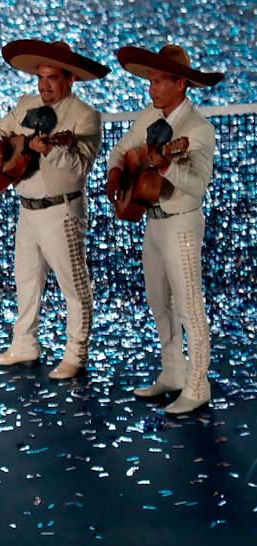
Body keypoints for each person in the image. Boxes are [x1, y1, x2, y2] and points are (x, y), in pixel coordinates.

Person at [106, 44, 224, 414]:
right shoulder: (147, 116)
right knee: (160, 303)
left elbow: (197, 186)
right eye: (150, 81)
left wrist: (166, 166)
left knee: (190, 306)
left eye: (159, 81)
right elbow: (123, 148)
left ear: (181, 84)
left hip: (182, 224)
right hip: (152, 222)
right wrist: (114, 172)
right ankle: (173, 372)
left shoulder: (198, 130)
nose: (151, 88)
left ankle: (197, 384)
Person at [0, 40, 110, 379]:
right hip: (27, 208)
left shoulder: (85, 117)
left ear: (70, 79)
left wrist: (50, 150)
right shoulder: (26, 104)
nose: (45, 85)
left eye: (53, 78)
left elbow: (80, 169)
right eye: (41, 77)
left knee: (74, 286)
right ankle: (24, 344)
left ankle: (76, 354)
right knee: (25, 280)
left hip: (61, 210)